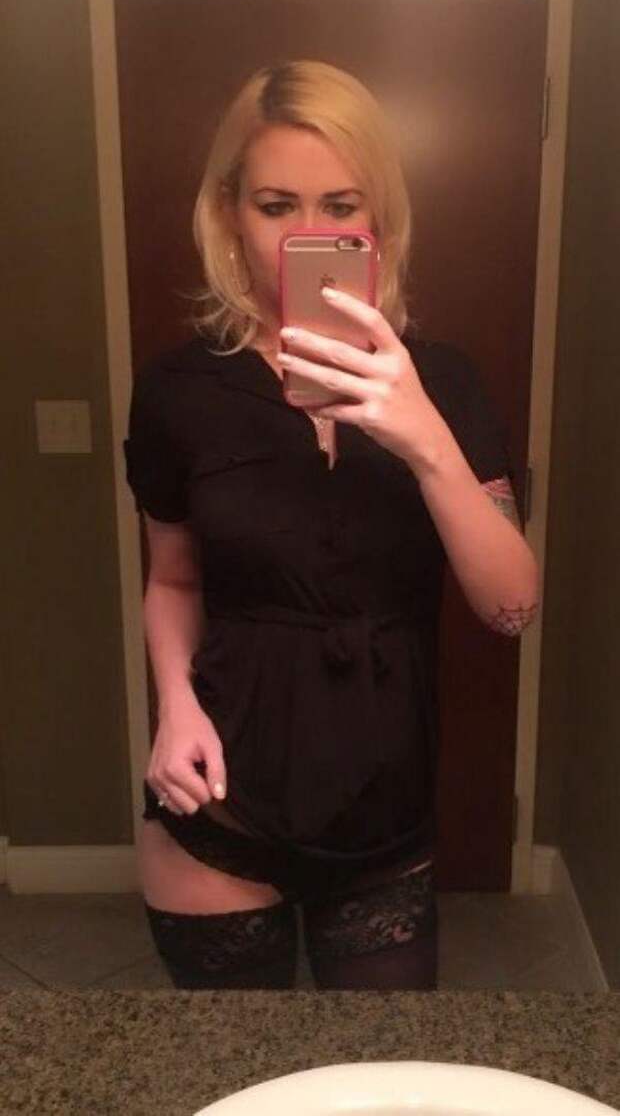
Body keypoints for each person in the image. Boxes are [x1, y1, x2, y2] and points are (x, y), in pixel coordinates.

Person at [123, 59, 539, 991]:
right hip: (219, 797)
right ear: (230, 212)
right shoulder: (177, 392)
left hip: (386, 813)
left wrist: (423, 437)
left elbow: (510, 607)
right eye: (276, 205)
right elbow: (174, 578)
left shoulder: (445, 384)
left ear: (379, 218)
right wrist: (174, 708)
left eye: (340, 207)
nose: (307, 235)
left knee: (381, 1066)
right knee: (236, 1066)